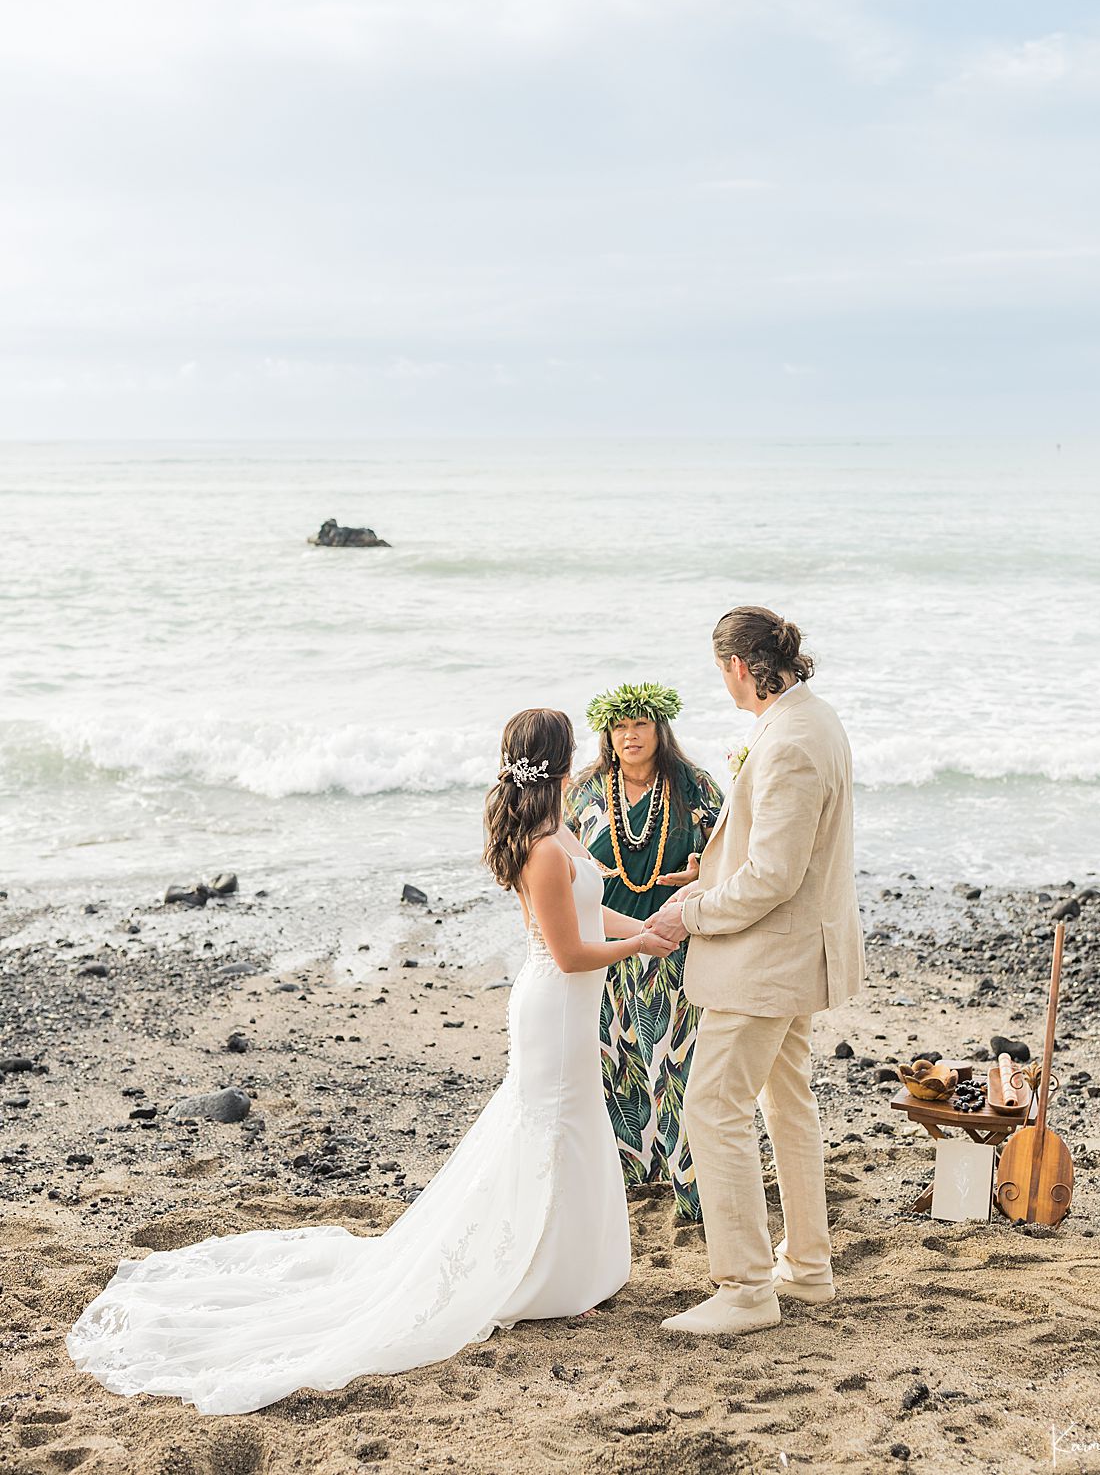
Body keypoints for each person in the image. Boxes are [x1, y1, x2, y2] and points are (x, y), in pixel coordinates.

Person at [65, 708, 675, 1415]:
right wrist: (637, 949)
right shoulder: (540, 848)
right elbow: (568, 951)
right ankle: (536, 1279)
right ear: (564, 761)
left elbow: (592, 916)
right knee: (547, 1128)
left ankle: (564, 1269)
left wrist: (651, 926)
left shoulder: (563, 831)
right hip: (553, 1004)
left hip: (570, 1007)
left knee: (567, 1125)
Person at [649, 606, 867, 1337]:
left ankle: (745, 1289)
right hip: (794, 951)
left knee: (711, 1107)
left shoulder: (792, 742)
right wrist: (709, 868)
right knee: (785, 1101)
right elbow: (774, 849)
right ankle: (806, 1267)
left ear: (739, 666)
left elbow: (775, 875)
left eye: (721, 670)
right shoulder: (811, 719)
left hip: (770, 960)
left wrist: (695, 912)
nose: (723, 683)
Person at [566, 681, 723, 1222]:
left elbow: (733, 853)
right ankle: (630, 1175)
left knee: (677, 1064)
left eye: (641, 724)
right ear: (608, 733)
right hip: (605, 947)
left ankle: (695, 1190)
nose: (630, 735)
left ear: (661, 729)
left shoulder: (694, 786)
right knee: (615, 1060)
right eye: (620, 726)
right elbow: (555, 860)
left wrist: (703, 870)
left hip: (674, 944)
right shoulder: (585, 791)